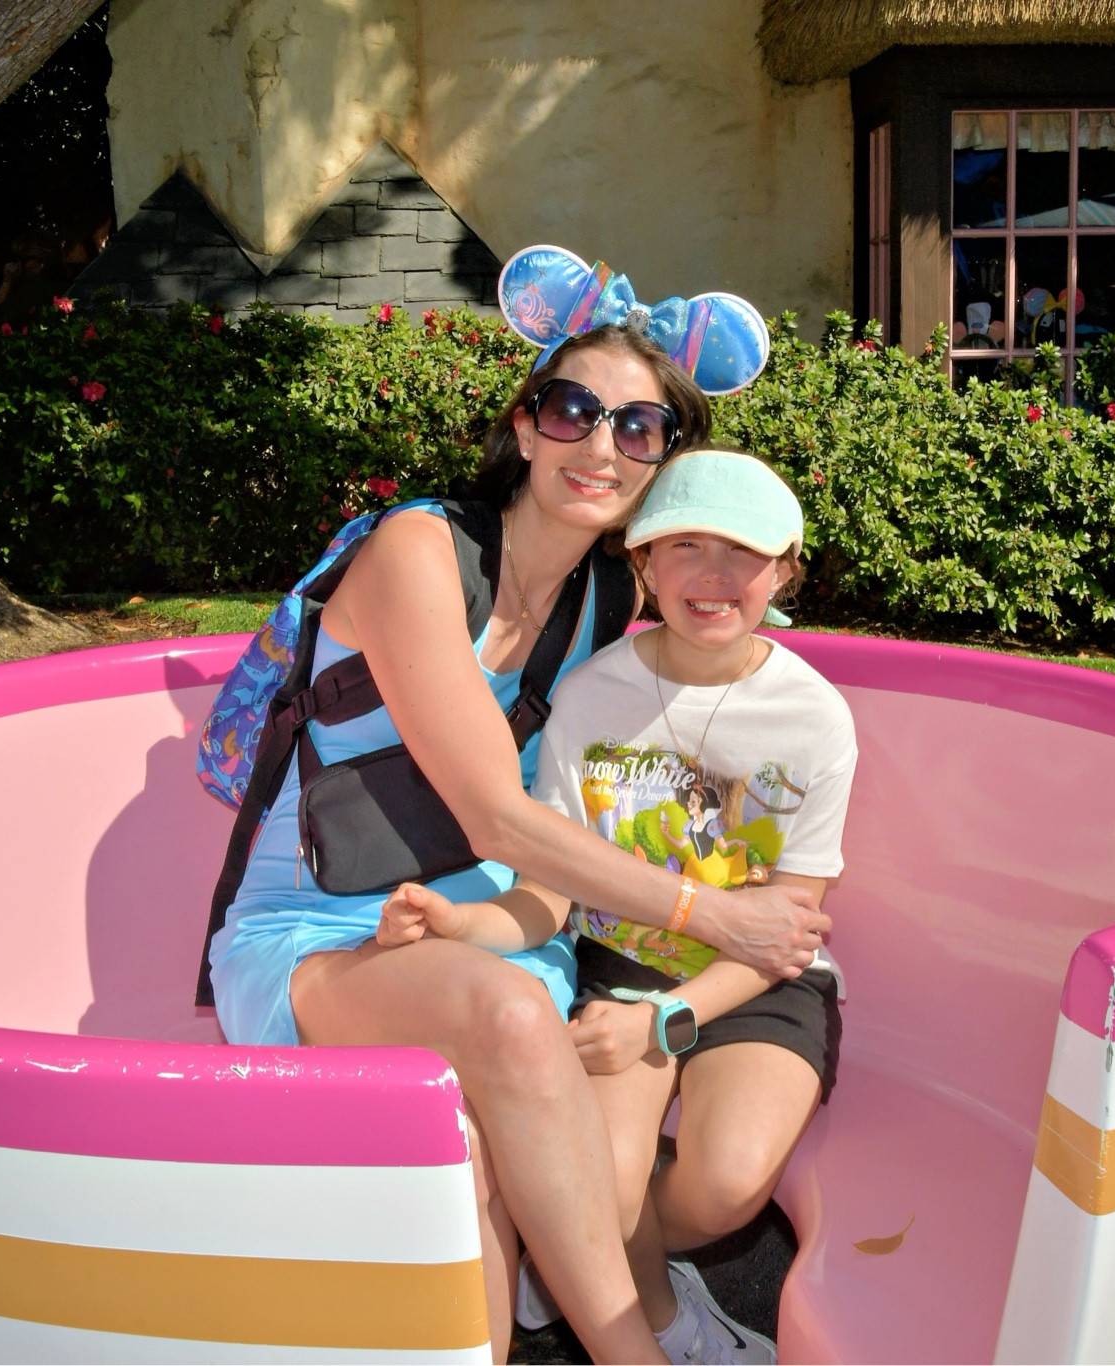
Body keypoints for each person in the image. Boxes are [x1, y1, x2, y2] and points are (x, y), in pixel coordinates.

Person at [204, 248, 826, 1364]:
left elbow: (623, 771)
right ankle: (634, 1348)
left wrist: (760, 856)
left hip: (500, 923)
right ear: (525, 424)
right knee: (503, 1022)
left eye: (638, 428)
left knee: (487, 1132)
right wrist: (711, 915)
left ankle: (571, 1318)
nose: (600, 446)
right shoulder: (418, 552)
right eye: (573, 410)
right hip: (325, 927)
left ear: (665, 461)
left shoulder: (607, 595)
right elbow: (497, 812)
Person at [380, 451, 857, 1364]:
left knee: (726, 1187)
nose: (714, 575)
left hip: (754, 981)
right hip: (613, 973)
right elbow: (549, 888)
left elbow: (787, 927)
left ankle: (564, 1254)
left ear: (786, 572)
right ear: (642, 561)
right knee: (599, 1178)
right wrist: (461, 924)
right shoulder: (593, 692)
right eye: (686, 546)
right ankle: (665, 1319)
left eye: (744, 552)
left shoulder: (814, 716)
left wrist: (663, 1022)